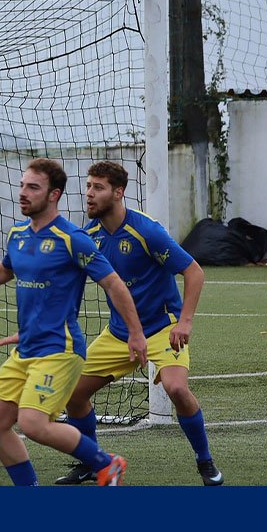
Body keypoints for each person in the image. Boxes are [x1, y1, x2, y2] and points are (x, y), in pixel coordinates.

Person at [0, 158, 144, 487]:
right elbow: (6, 269)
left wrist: (135, 334)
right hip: (26, 349)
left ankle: (106, 463)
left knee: (32, 423)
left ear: (54, 194)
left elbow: (114, 284)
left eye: (33, 187)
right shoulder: (18, 234)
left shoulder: (72, 238)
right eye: (22, 186)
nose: (23, 193)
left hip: (60, 349)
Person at [54, 160, 221, 486]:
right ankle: (91, 463)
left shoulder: (146, 231)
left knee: (176, 389)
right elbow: (66, 282)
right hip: (119, 334)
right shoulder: (89, 236)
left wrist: (184, 322)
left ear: (119, 192)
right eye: (88, 186)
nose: (89, 193)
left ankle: (205, 461)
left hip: (161, 328)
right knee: (73, 394)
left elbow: (194, 272)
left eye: (98, 187)